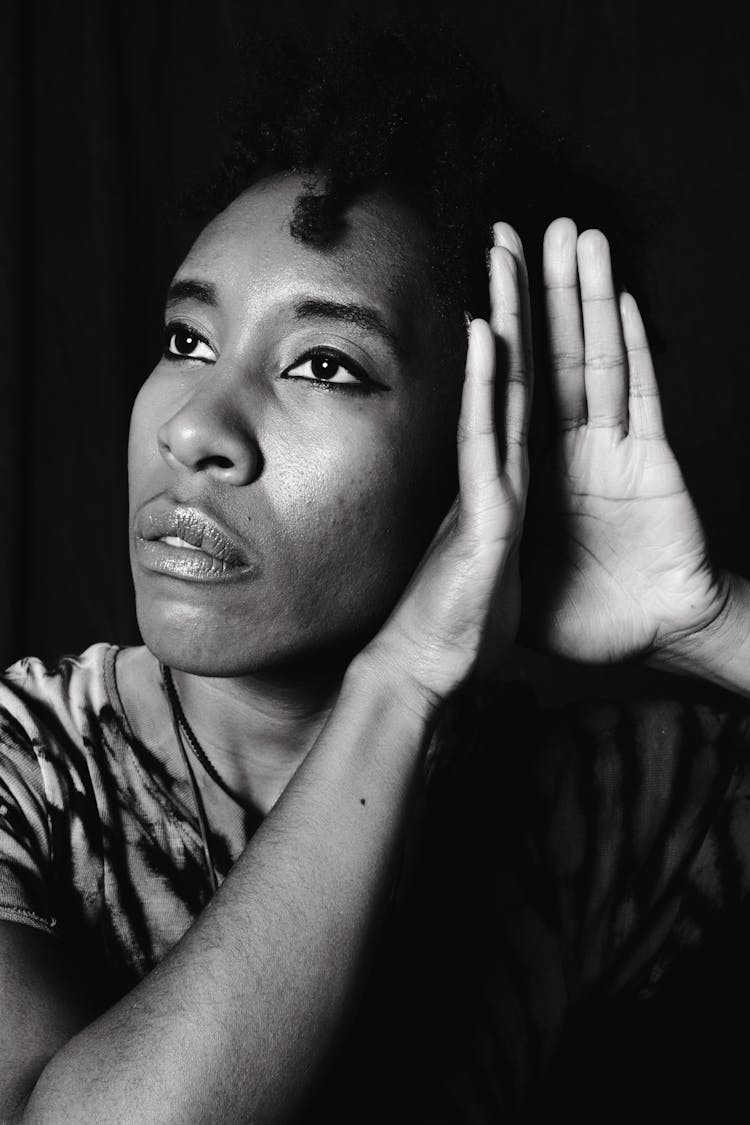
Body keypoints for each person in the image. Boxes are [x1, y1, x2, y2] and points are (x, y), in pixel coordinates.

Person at [1, 23, 749, 1124]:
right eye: (186, 340)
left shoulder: (572, 804)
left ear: (478, 461)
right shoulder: (30, 768)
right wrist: (397, 681)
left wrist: (707, 620)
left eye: (325, 364)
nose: (197, 427)